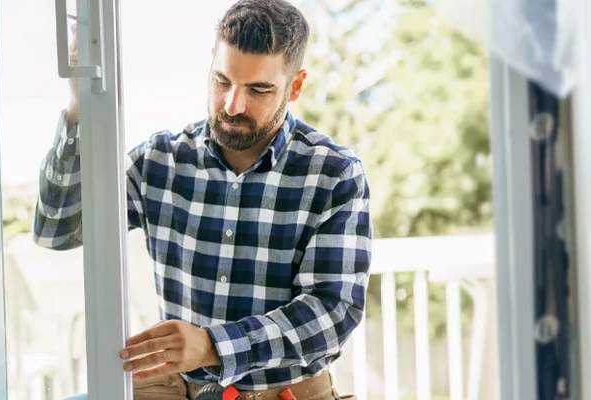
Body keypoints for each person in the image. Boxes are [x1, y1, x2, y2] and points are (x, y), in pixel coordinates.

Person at [33, 0, 371, 399]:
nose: (233, 105)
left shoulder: (334, 173)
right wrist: (78, 107)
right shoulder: (160, 162)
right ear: (211, 63)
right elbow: (57, 229)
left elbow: (333, 311)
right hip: (177, 391)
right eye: (222, 81)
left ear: (294, 86)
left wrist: (212, 346)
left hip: (286, 394)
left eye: (258, 89)